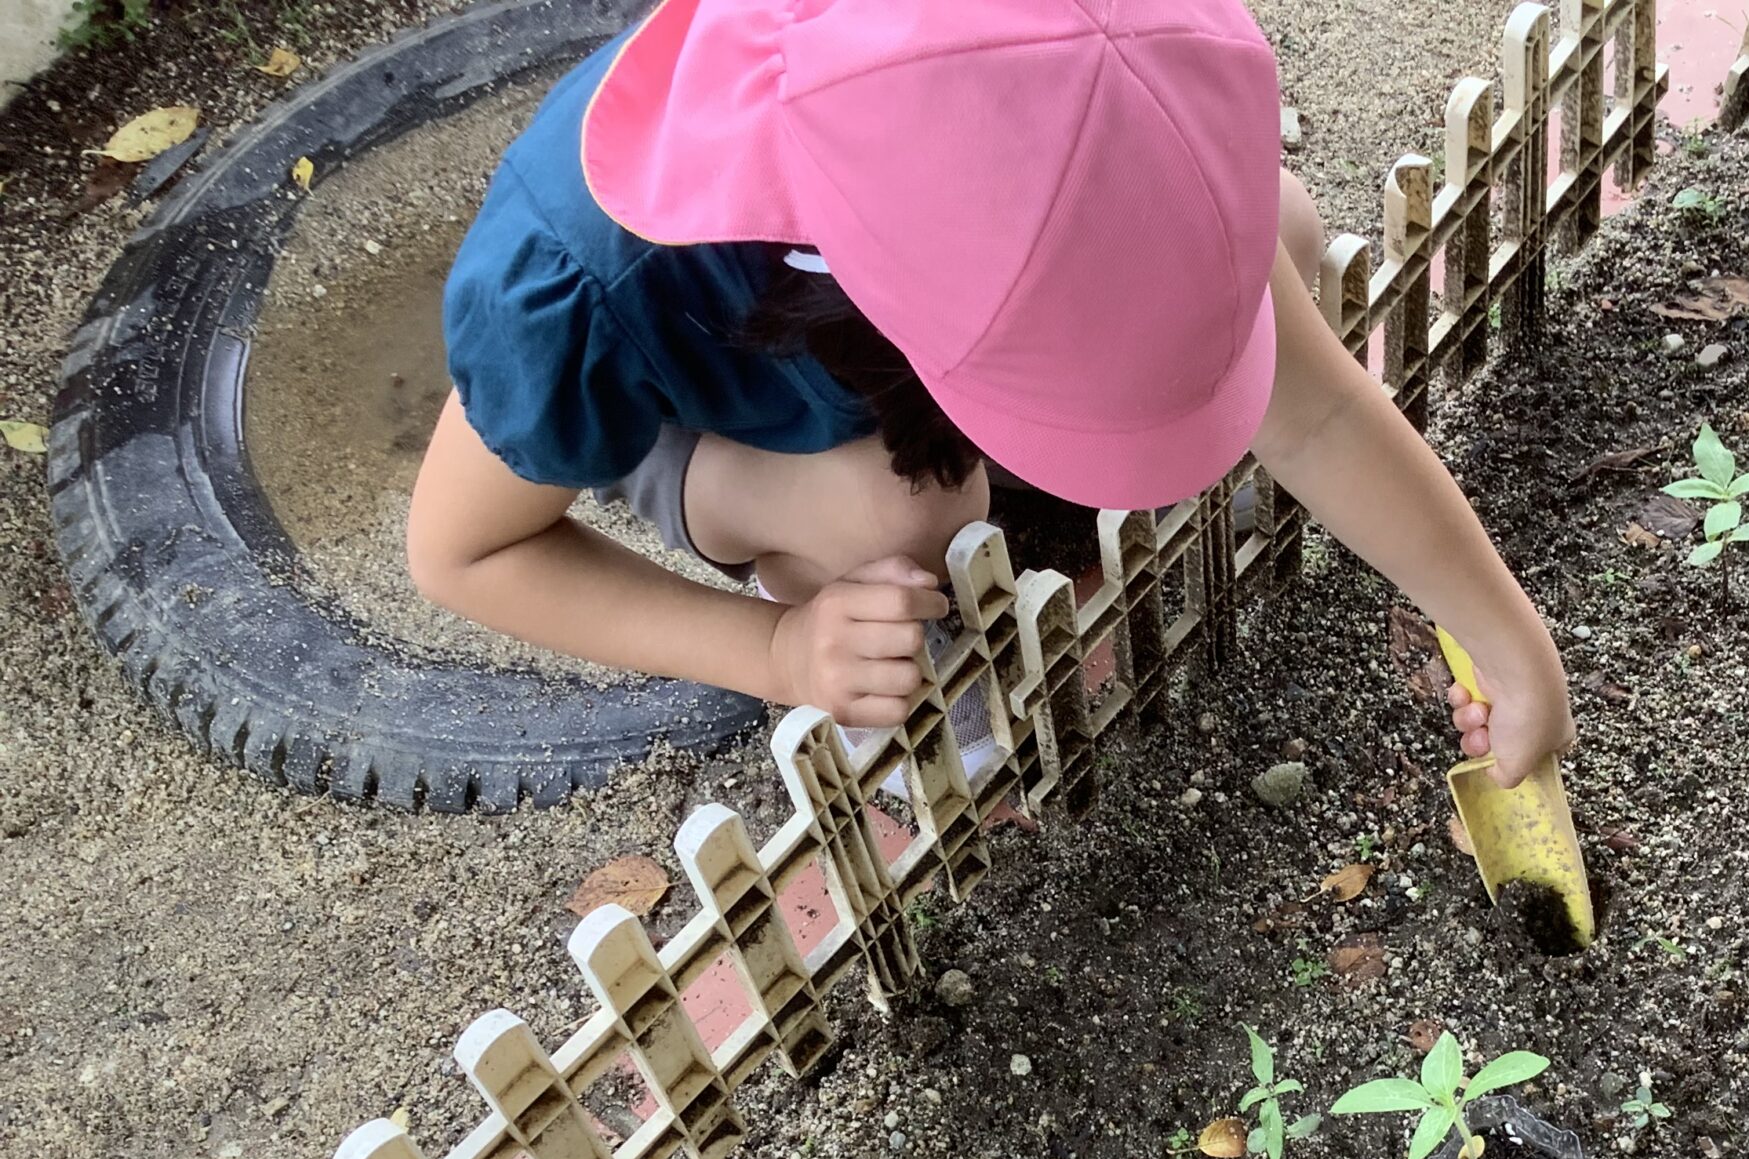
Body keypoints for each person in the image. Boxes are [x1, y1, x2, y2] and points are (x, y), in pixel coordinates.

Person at [407, 0, 1572, 788]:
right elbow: (464, 553)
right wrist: (778, 652)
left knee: (1284, 230)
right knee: (897, 515)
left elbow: (1315, 410)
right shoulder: (586, 274)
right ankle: (835, 579)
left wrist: (1513, 648)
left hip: (874, 311)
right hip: (720, 399)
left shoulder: (1111, 72)